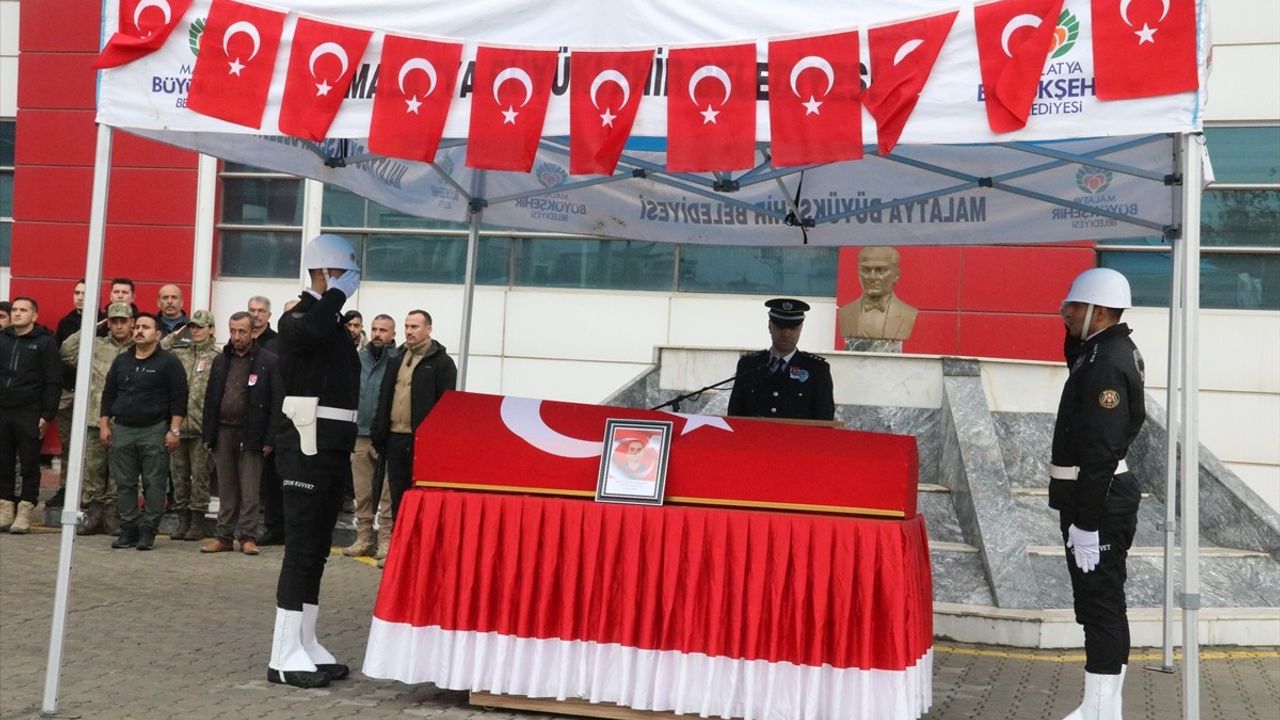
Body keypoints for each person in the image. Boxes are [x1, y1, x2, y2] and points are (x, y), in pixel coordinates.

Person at [1049, 268, 1145, 720]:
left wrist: (1087, 522)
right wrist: (1076, 328)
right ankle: (1099, 705)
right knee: (1098, 602)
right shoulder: (1100, 350)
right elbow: (1074, 356)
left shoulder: (1107, 360)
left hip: (1100, 500)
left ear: (1099, 311)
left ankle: (1103, 711)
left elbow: (1102, 451)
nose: (1063, 312)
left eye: (1074, 306)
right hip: (1094, 497)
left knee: (1101, 604)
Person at [266, 233, 361, 689]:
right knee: (301, 549)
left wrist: (337, 298)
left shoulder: (331, 321)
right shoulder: (298, 318)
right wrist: (335, 292)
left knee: (318, 550)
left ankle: (305, 640)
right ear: (322, 274)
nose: (350, 283)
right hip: (305, 443)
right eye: (342, 274)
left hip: (332, 445)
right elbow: (313, 328)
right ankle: (282, 653)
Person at [371, 309, 457, 564]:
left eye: (415, 326)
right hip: (394, 438)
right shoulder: (396, 358)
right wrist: (379, 432)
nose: (409, 331)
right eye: (407, 326)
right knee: (398, 497)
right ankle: (401, 551)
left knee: (420, 497)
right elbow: (384, 397)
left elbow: (446, 407)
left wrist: (436, 442)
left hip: (421, 442)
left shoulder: (441, 363)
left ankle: (423, 552)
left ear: (429, 329)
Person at [100, 313, 188, 551]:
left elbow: (179, 399)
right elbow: (109, 394)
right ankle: (128, 529)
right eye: (137, 326)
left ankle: (148, 530)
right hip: (123, 430)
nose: (139, 331)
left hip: (154, 430)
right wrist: (105, 424)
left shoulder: (169, 362)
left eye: (146, 327)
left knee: (154, 482)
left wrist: (174, 430)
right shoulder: (121, 361)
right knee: (125, 483)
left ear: (157, 334)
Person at [201, 312, 283, 556]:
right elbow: (210, 398)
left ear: (252, 332)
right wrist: (209, 434)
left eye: (242, 332)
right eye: (233, 331)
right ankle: (223, 536)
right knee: (226, 488)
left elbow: (276, 402)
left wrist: (270, 438)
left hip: (253, 433)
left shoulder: (268, 361)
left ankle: (247, 536)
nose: (237, 337)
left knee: (250, 488)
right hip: (223, 430)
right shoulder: (220, 360)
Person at [60, 302, 135, 536]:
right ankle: (93, 515)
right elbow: (66, 352)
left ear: (131, 322)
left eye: (124, 321)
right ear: (109, 323)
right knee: (93, 469)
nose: (119, 325)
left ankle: (112, 515)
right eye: (114, 321)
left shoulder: (139, 348)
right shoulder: (96, 346)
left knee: (119, 470)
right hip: (94, 417)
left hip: (125, 418)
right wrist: (94, 326)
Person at [0, 298, 62, 534]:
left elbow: (53, 381)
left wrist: (47, 415)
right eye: (14, 310)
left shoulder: (45, 343)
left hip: (30, 413)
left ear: (34, 316)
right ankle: (5, 508)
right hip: (3, 411)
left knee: (29, 463)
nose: (17, 314)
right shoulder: (3, 338)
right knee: (3, 462)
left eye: (23, 310)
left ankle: (25, 509)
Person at [343, 313, 397, 560]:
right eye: (374, 329)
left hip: (387, 436)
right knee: (362, 490)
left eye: (383, 330)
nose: (378, 334)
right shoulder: (358, 359)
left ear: (393, 334)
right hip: (360, 434)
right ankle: (364, 537)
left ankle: (386, 540)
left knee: (387, 492)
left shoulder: (398, 360)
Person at [727, 298, 834, 421]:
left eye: (793, 328)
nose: (786, 334)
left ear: (800, 329)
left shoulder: (817, 369)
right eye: (780, 327)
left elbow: (824, 419)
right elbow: (734, 416)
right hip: (755, 438)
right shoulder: (749, 365)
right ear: (770, 326)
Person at [165, 309, 218, 541]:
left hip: (201, 426)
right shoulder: (180, 354)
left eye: (200, 327)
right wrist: (176, 334)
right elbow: (159, 348)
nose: (195, 331)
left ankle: (197, 520)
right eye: (192, 327)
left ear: (211, 330)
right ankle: (182, 519)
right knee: (179, 476)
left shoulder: (218, 357)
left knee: (200, 476)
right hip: (178, 425)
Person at [248, 294, 285, 545]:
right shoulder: (239, 341)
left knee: (271, 479)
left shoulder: (276, 344)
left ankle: (273, 527)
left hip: (270, 415)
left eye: (261, 311)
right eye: (252, 310)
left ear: (269, 316)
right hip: (246, 417)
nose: (256, 315)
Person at [49, 279, 88, 508]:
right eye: (77, 292)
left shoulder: (103, 321)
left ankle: (90, 493)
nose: (80, 296)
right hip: (68, 391)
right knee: (68, 444)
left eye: (84, 292)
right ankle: (66, 488)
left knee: (91, 447)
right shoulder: (66, 322)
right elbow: (59, 356)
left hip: (92, 394)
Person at [837, 246, 919, 349]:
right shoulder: (845, 313)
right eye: (866, 270)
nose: (872, 277)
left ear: (897, 274)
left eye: (881, 270)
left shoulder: (908, 313)